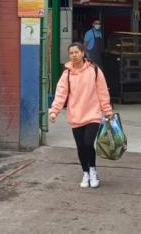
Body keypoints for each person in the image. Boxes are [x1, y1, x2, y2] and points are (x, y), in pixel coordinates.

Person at [49, 42, 114, 188]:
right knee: (80, 146)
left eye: (76, 52)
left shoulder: (94, 70)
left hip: (93, 114)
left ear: (83, 53)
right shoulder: (67, 74)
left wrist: (107, 110)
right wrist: (54, 111)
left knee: (88, 143)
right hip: (76, 115)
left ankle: (93, 170)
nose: (74, 55)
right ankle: (85, 172)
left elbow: (102, 92)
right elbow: (61, 94)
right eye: (71, 53)